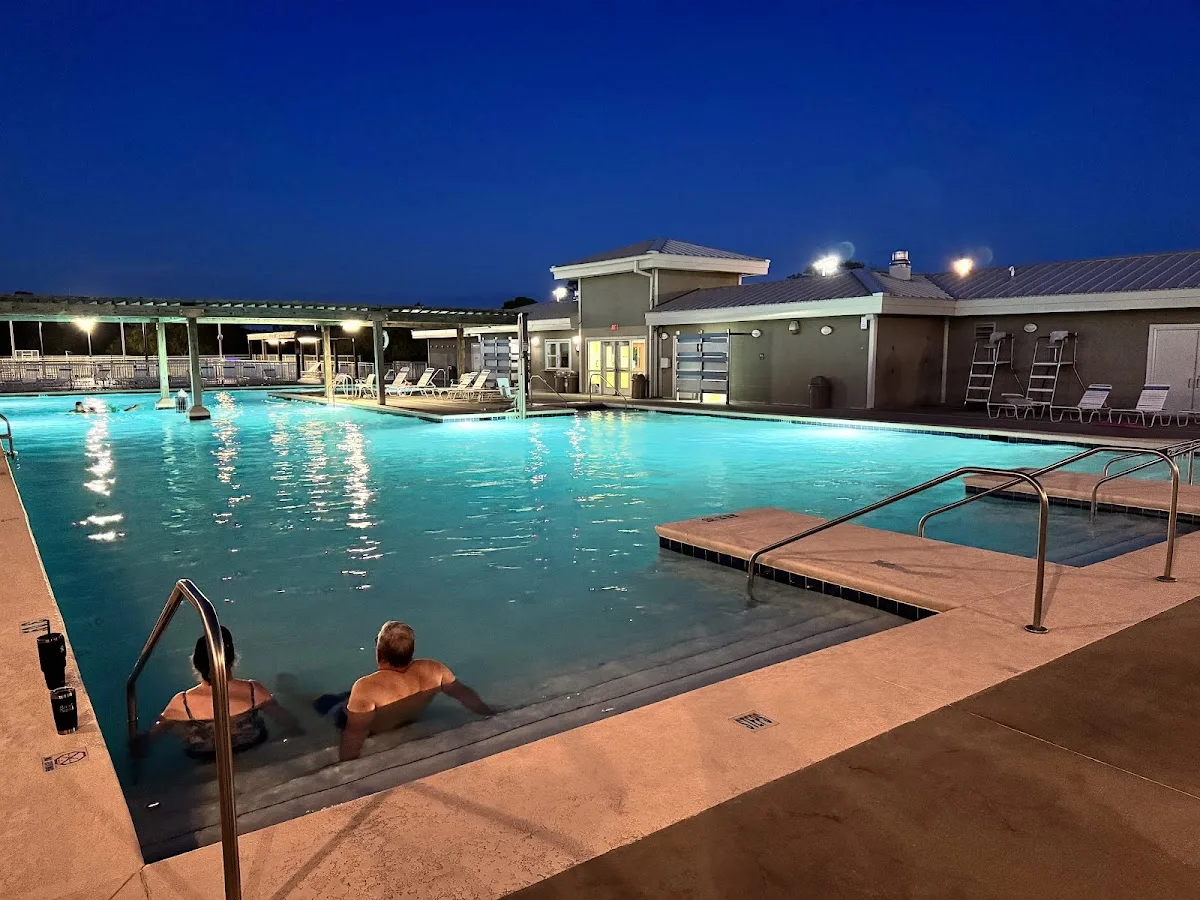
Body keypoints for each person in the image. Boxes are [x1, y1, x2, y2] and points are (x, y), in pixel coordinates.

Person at [330, 621, 495, 761]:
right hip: (410, 718)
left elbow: (355, 734)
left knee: (323, 702)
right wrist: (490, 714)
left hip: (376, 728)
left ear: (379, 652)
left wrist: (346, 766)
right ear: (411, 650)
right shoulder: (435, 669)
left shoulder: (366, 687)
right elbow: (464, 694)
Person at [135, 626, 297, 760]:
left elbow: (150, 737)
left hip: (204, 755)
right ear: (233, 658)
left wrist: (139, 742)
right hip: (252, 745)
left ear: (196, 663)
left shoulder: (182, 702)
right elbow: (288, 721)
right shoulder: (252, 690)